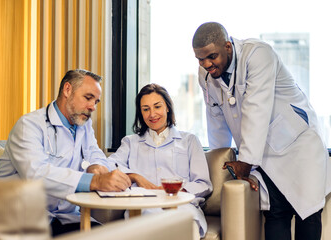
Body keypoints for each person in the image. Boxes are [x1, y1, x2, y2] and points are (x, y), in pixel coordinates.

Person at [192, 22, 331, 240]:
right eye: (200, 59)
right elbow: (216, 119)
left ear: (227, 46)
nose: (206, 64)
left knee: (309, 216)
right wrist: (222, 159)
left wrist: (245, 161)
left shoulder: (258, 54)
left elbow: (256, 107)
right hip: (263, 152)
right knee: (276, 213)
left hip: (298, 146)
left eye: (212, 56)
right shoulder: (206, 75)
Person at [0, 69, 131, 236]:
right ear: (67, 90)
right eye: (88, 98)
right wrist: (95, 181)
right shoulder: (29, 125)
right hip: (19, 215)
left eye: (96, 102)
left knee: (108, 236)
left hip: (64, 216)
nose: (92, 107)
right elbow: (36, 174)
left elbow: (95, 152)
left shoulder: (83, 124)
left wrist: (97, 165)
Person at [107, 83, 212, 239]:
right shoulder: (130, 142)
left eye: (157, 106)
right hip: (142, 209)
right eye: (146, 109)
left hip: (181, 207)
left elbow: (203, 184)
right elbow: (109, 166)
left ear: (167, 108)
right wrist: (135, 176)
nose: (152, 114)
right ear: (140, 113)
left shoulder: (189, 141)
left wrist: (176, 189)